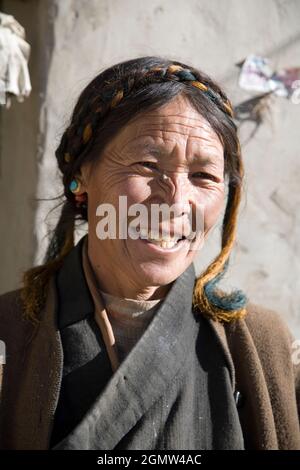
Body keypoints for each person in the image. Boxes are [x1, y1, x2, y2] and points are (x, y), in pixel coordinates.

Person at [0, 56, 299, 450]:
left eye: (203, 176)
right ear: (80, 178)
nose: (175, 200)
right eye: (147, 164)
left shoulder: (259, 347)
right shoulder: (10, 334)